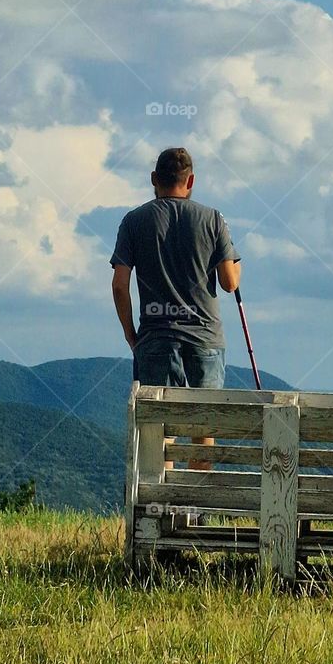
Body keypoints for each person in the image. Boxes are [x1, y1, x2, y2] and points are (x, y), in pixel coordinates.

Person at [110, 146, 241, 473]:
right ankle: (197, 507)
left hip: (155, 338)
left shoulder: (134, 221)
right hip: (205, 339)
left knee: (159, 431)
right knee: (203, 430)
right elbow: (229, 282)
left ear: (154, 179)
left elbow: (118, 284)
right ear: (191, 180)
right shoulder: (213, 218)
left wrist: (131, 335)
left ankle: (160, 506)